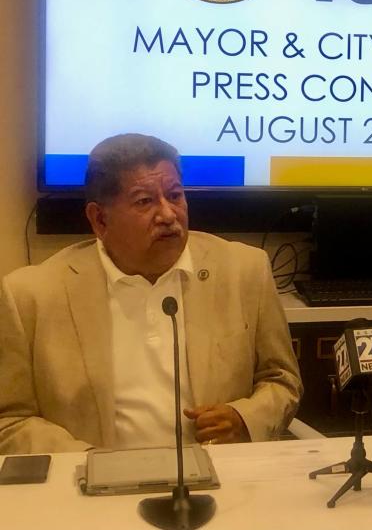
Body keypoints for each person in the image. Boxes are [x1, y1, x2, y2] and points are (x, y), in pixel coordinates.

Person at [0, 134, 303, 453]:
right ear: (100, 219)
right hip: (90, 490)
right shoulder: (31, 296)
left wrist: (245, 418)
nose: (169, 214)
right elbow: (11, 420)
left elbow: (282, 380)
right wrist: (88, 462)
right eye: (145, 201)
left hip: (222, 480)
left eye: (175, 195)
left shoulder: (244, 271)